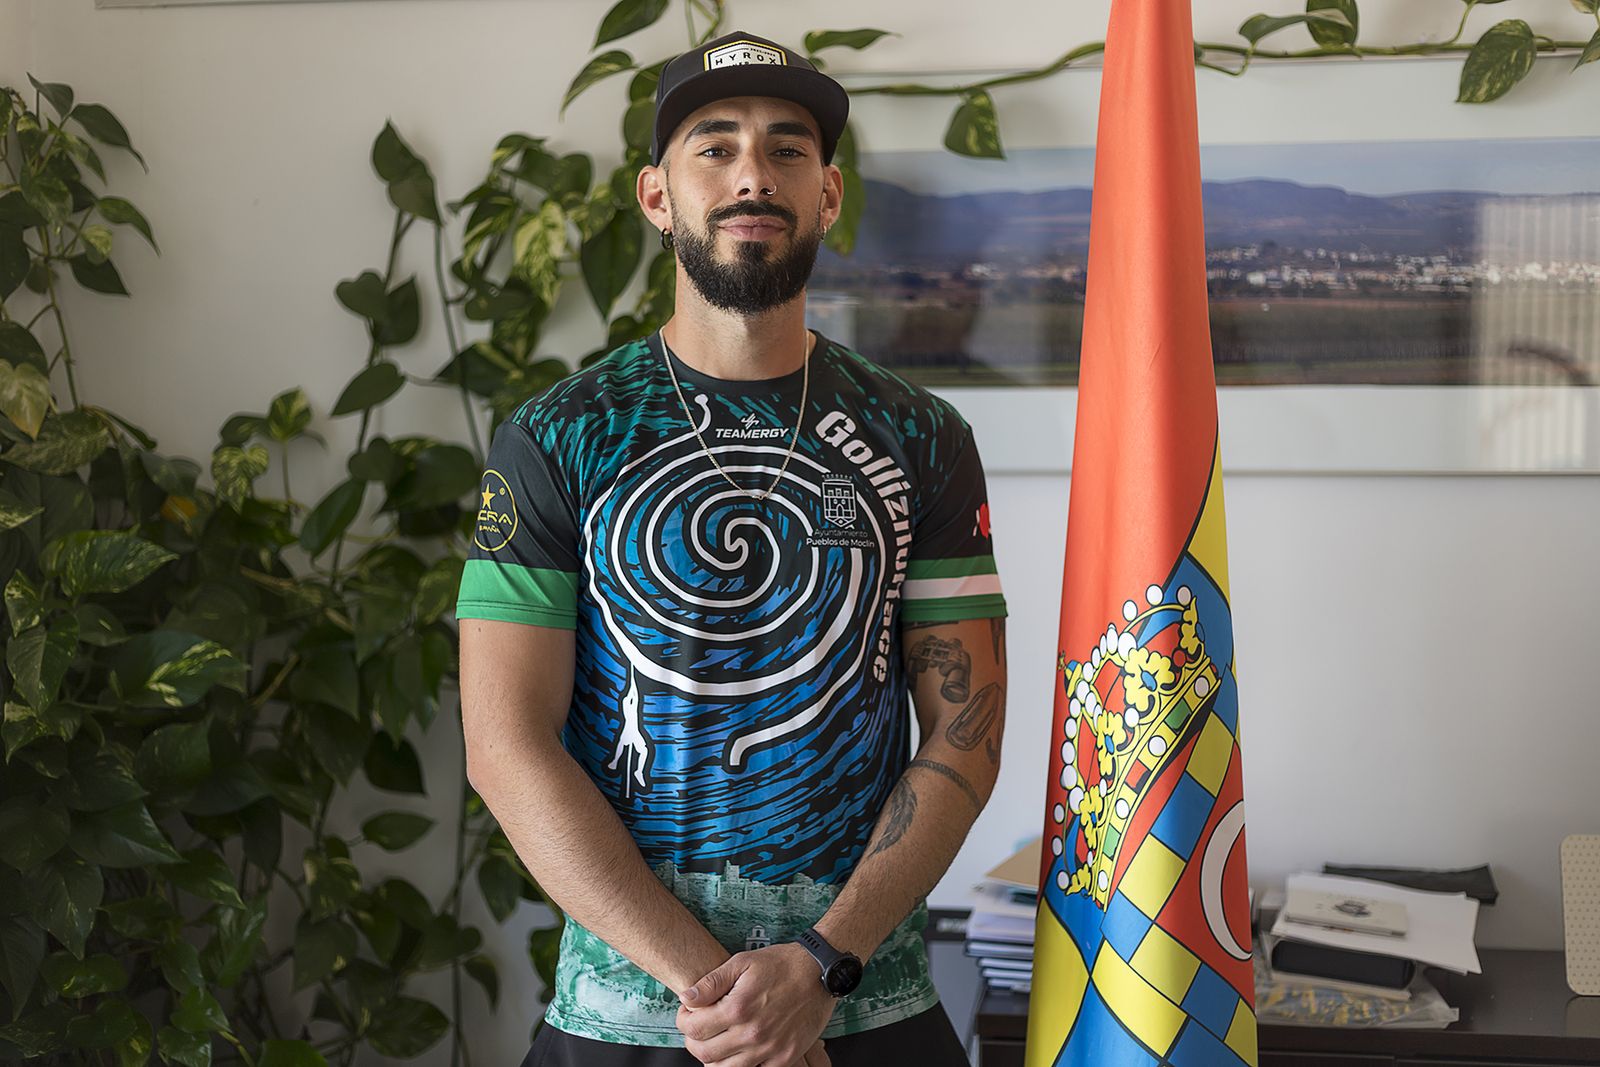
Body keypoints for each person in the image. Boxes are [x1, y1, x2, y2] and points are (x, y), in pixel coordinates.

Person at [456, 29, 1008, 1067]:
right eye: (714, 146)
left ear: (827, 196)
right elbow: (504, 745)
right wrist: (726, 1000)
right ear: (656, 195)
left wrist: (818, 964)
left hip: (866, 1009)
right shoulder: (555, 437)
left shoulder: (926, 438)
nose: (753, 172)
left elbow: (963, 732)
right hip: (630, 1019)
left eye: (786, 149)